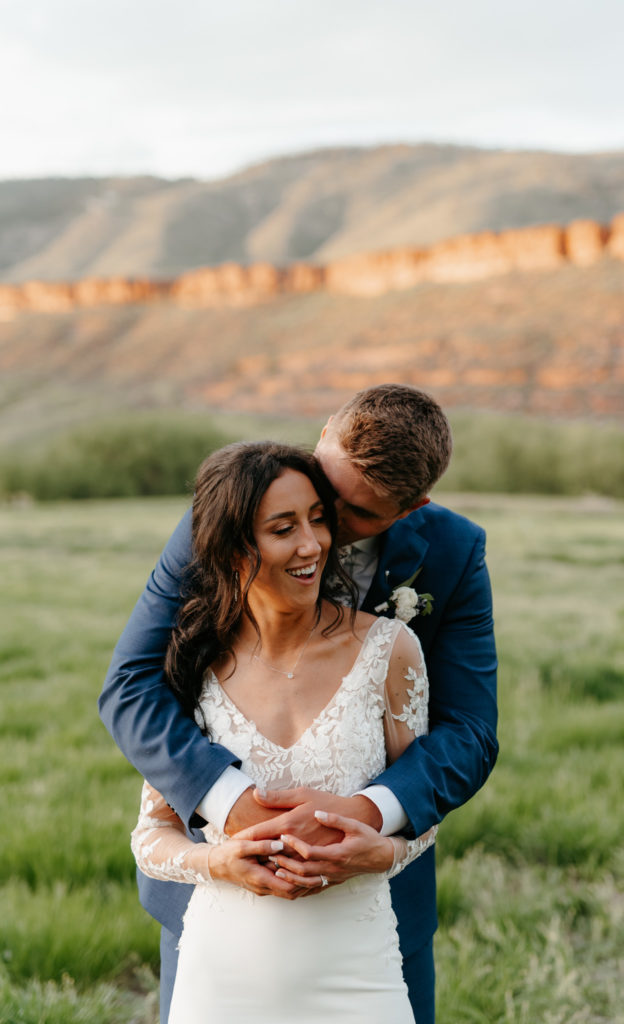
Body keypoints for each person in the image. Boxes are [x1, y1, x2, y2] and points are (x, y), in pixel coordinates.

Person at [99, 384, 498, 1024]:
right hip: (218, 912)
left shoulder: (452, 553)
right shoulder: (232, 514)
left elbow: (471, 731)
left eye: (353, 513)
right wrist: (231, 805)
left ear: (409, 509)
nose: (320, 530)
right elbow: (132, 684)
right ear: (322, 439)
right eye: (323, 490)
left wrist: (372, 812)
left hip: (372, 917)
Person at [131, 441, 436, 1022]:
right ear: (234, 547)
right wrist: (215, 863)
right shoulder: (192, 663)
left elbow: (425, 811)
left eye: (318, 520)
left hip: (359, 970)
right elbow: (151, 835)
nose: (312, 544)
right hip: (221, 973)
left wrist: (385, 850)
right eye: (283, 528)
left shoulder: (390, 650)